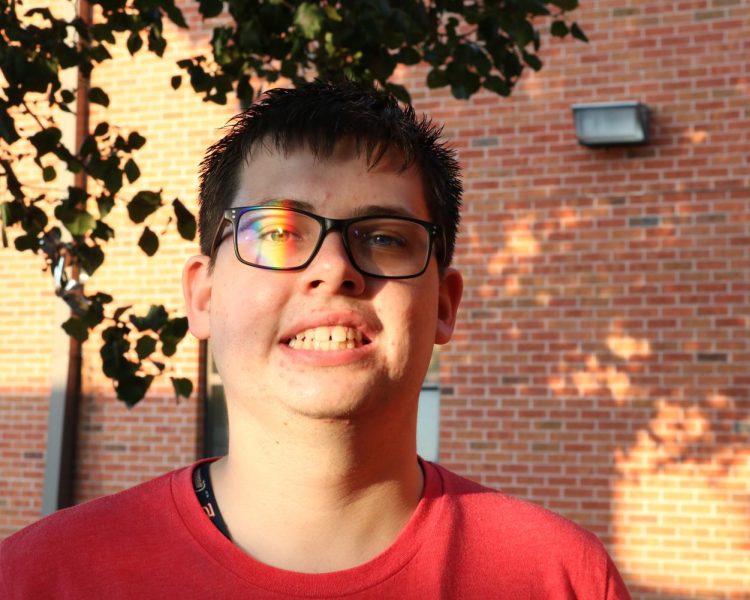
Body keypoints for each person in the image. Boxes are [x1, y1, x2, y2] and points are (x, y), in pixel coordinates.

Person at [0, 79, 631, 599]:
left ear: (443, 304)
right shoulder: (38, 579)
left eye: (383, 236)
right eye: (276, 232)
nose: (335, 268)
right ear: (204, 296)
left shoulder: (558, 578)